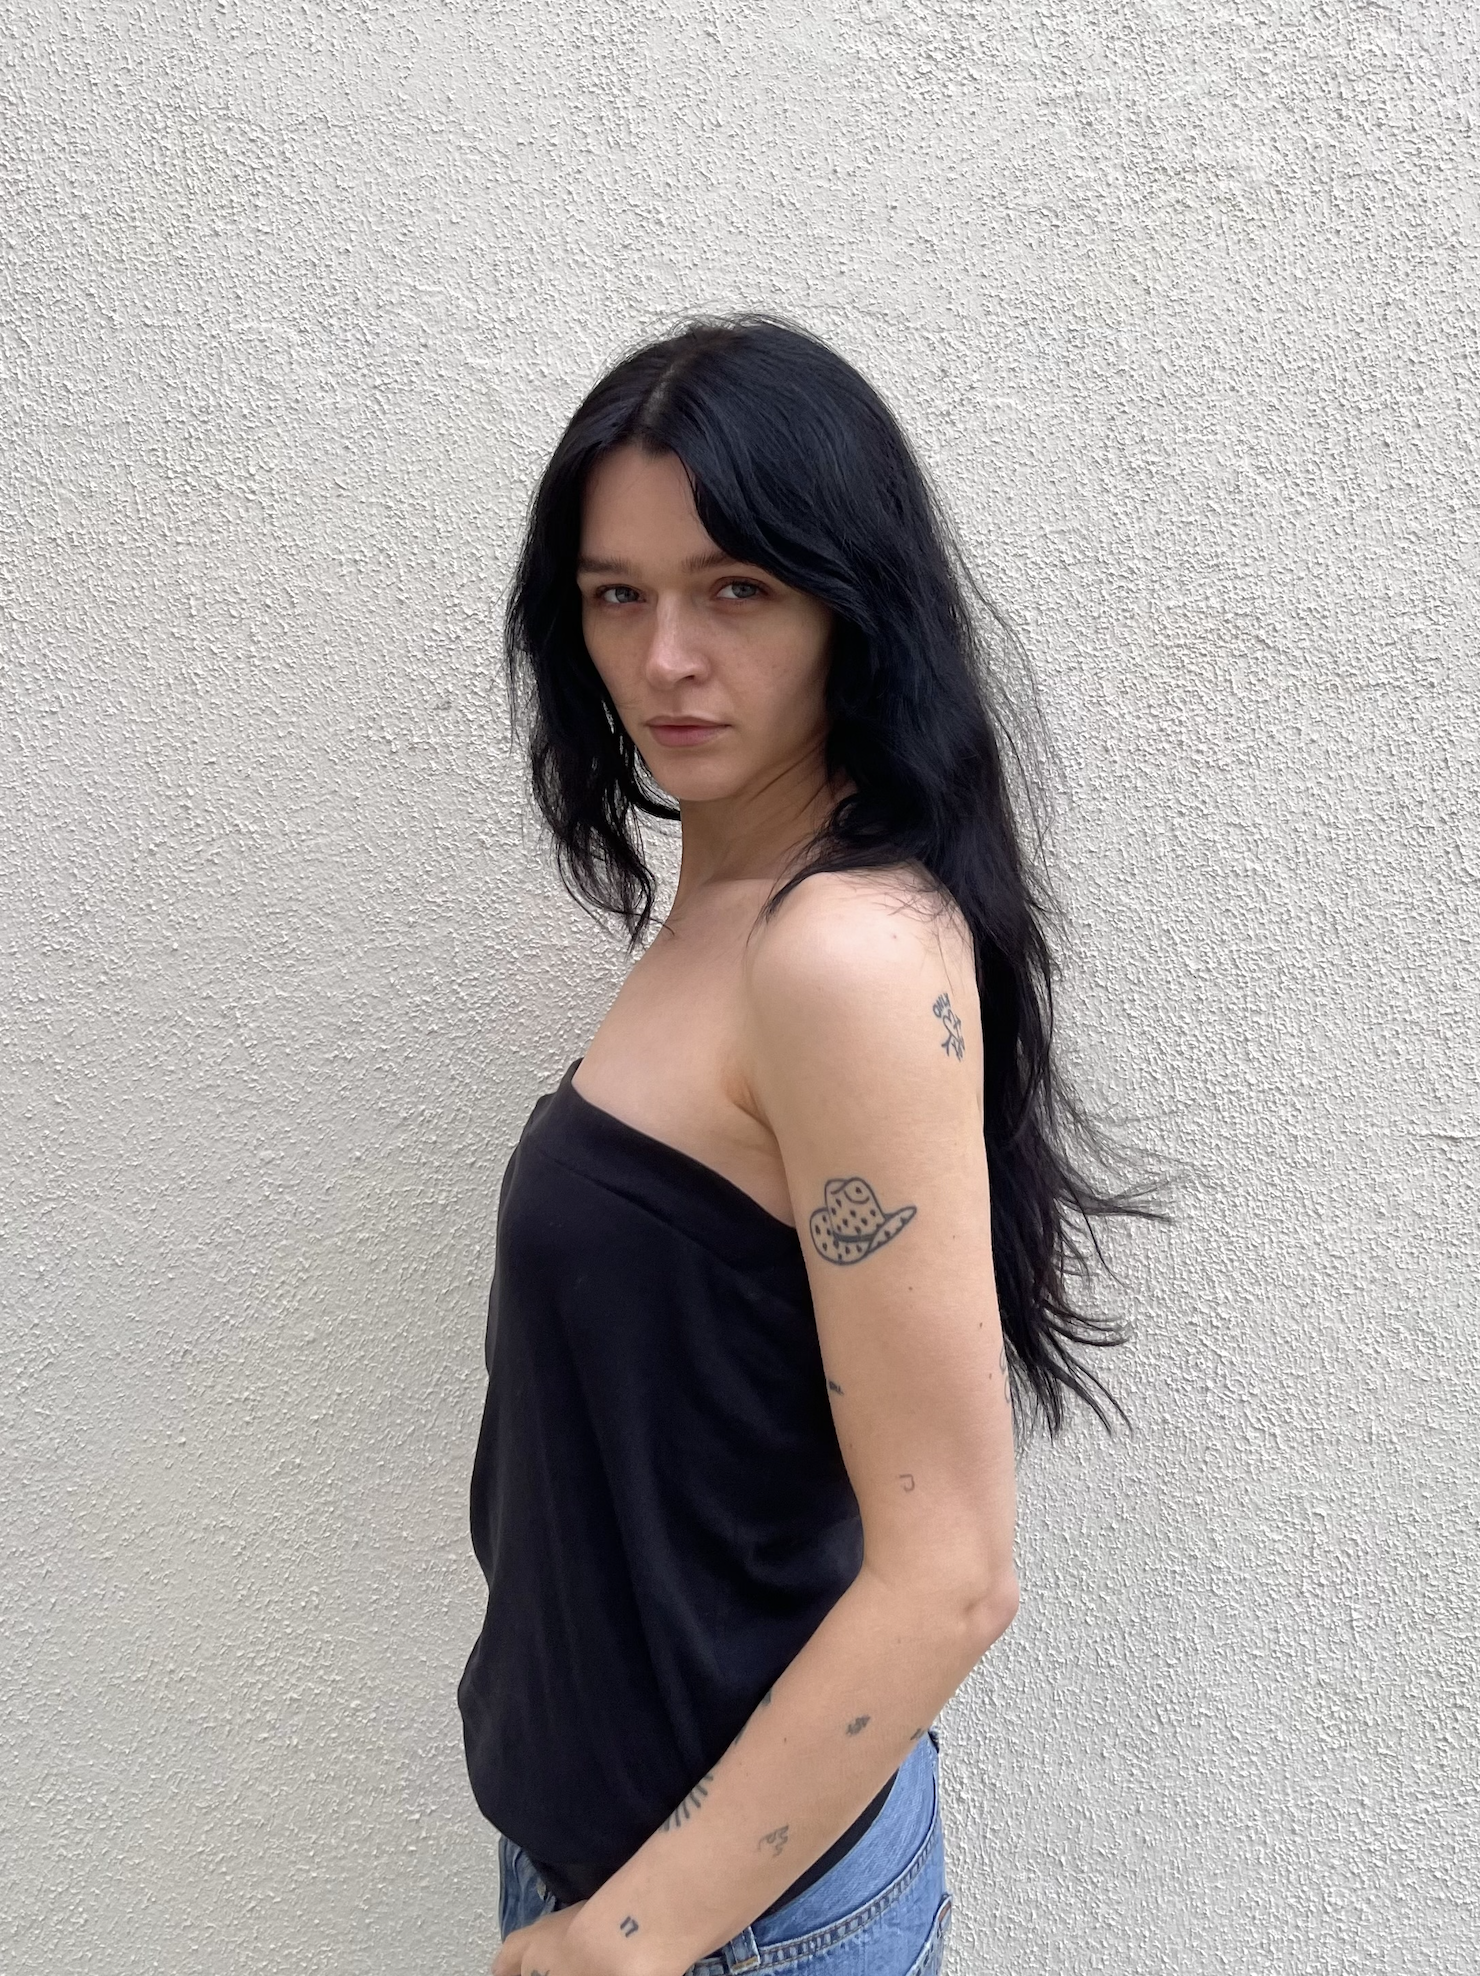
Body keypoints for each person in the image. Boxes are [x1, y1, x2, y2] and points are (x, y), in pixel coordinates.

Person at [458, 313, 1170, 1976]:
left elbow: (952, 1574)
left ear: (854, 606)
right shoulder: (731, 904)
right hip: (623, 1866)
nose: (665, 659)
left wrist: (633, 1937)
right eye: (615, 595)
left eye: (737, 590)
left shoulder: (840, 958)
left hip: (723, 1923)